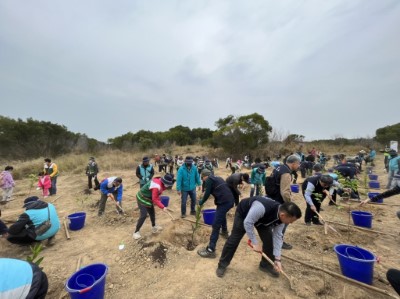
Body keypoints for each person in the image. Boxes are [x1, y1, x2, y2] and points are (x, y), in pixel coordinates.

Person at [215, 198, 302, 278]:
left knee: (269, 242)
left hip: (262, 221)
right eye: (291, 221)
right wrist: (254, 242)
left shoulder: (282, 219)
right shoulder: (261, 207)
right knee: (234, 239)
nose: (291, 223)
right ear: (283, 215)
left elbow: (278, 237)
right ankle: (222, 265)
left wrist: (277, 259)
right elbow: (248, 223)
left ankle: (265, 265)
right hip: (244, 215)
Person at [265, 155, 301, 250]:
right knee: (284, 221)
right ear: (293, 163)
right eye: (298, 164)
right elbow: (284, 192)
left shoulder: (279, 167)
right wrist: (289, 204)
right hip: (278, 200)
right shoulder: (286, 173)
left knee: (273, 220)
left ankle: (270, 238)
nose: (298, 166)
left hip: (271, 197)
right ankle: (278, 240)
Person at [197, 169, 235, 258]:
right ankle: (225, 231)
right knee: (221, 215)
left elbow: (207, 194)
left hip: (224, 202)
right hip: (228, 200)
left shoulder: (209, 180)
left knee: (216, 225)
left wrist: (201, 202)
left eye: (202, 177)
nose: (202, 179)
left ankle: (211, 250)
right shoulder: (217, 178)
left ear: (205, 176)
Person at [133, 174, 174, 240]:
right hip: (141, 198)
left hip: (149, 199)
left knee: (152, 213)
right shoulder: (157, 185)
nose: (168, 186)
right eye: (168, 184)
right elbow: (154, 199)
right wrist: (162, 207)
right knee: (143, 215)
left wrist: (161, 204)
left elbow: (156, 196)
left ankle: (154, 227)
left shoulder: (161, 183)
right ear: (165, 182)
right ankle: (136, 232)